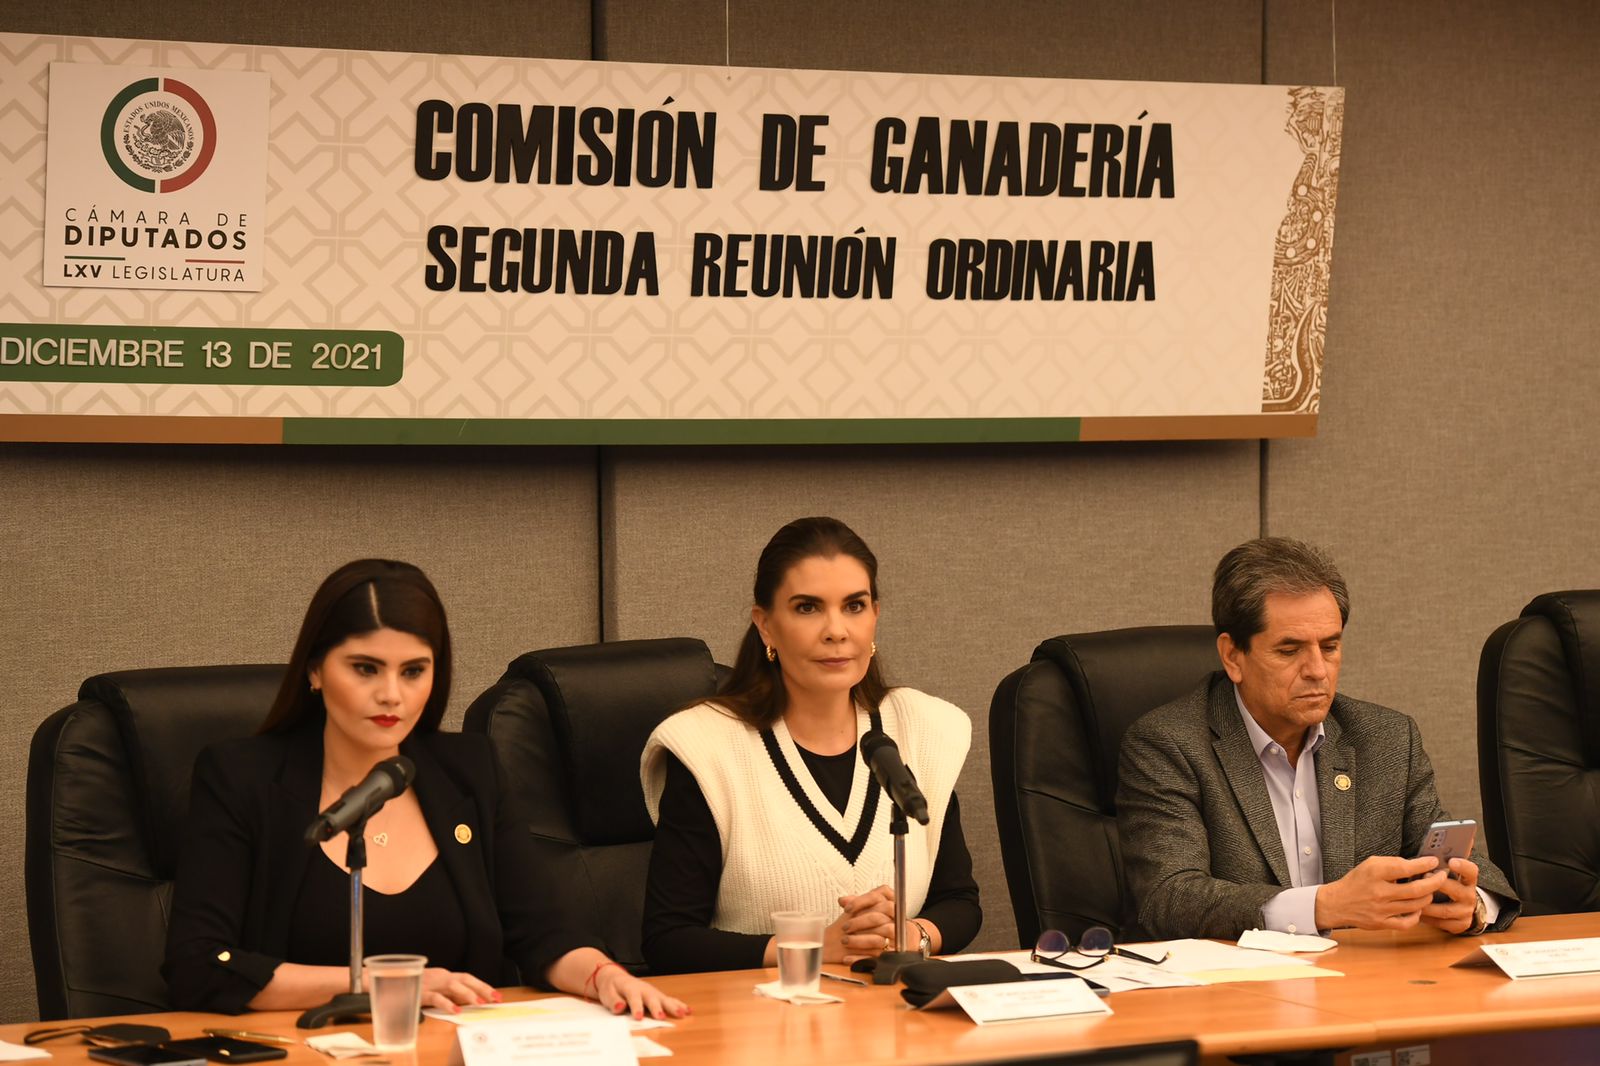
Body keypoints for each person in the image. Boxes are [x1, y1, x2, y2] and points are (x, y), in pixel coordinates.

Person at [163, 559, 687, 1019]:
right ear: (314, 670)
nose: (391, 694)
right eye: (365, 669)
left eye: (413, 671)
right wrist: (385, 985)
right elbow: (198, 965)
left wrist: (602, 976)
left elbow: (544, 932)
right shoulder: (240, 778)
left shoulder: (469, 771)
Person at [1116, 537, 1520, 940]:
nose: (1317, 670)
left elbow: (1466, 865)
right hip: (1240, 976)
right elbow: (1169, 897)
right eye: (1289, 650)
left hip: (1364, 972)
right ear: (1233, 656)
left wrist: (1472, 902)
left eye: (1329, 647)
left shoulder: (1386, 738)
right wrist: (1322, 906)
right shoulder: (1168, 745)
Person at [639, 517, 981, 973]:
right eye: (807, 608)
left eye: (854, 606)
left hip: (893, 1011)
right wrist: (815, 947)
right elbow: (668, 941)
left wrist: (908, 934)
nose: (836, 630)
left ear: (875, 616)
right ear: (766, 626)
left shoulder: (920, 727)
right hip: (756, 1011)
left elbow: (959, 902)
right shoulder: (707, 747)